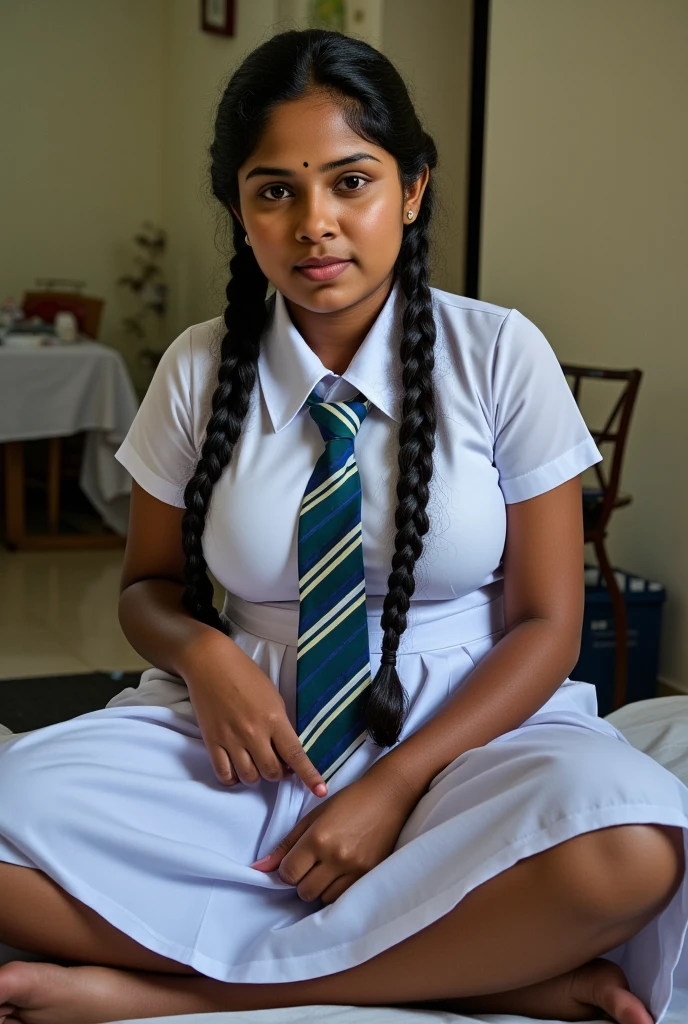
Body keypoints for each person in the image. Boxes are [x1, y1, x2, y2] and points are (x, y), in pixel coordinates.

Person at [0, 27, 686, 1024]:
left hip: (465, 736)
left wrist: (396, 782)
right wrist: (204, 653)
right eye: (275, 190)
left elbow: (546, 621)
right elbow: (145, 587)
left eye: (350, 183)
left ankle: (175, 995)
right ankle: (496, 971)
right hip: (242, 735)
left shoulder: (498, 353)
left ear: (410, 190)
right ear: (239, 209)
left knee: (628, 853)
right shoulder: (198, 368)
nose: (314, 224)